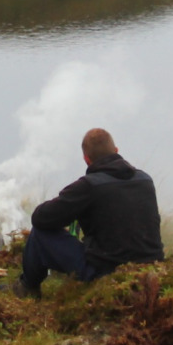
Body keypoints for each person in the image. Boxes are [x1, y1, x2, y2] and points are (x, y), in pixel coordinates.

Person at [18, 127, 164, 298]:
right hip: (152, 268)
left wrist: (73, 208)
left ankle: (28, 288)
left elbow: (40, 218)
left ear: (86, 159)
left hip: (106, 273)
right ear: (116, 151)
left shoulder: (89, 186)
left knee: (39, 233)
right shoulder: (145, 180)